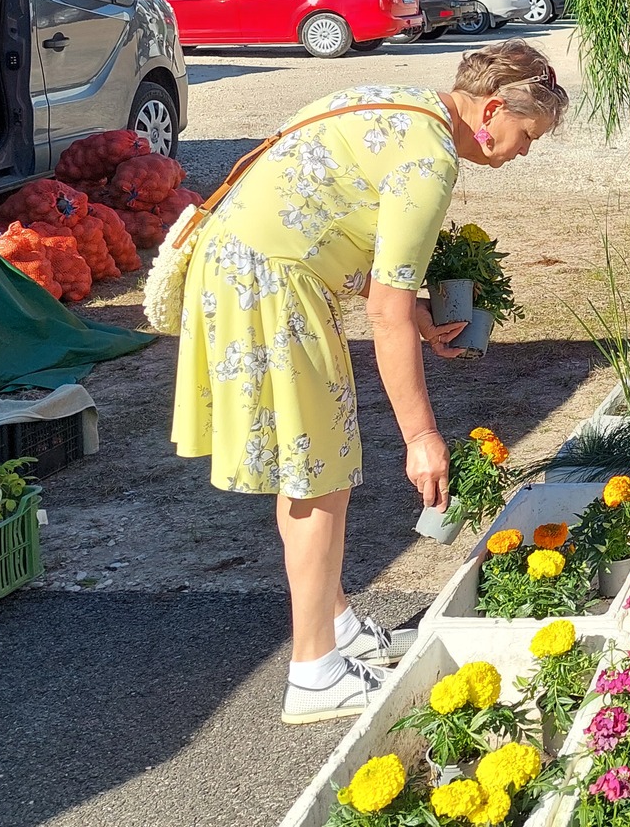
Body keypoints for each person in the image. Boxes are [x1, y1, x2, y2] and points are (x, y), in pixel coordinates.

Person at [170, 40, 566, 724]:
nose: (522, 153)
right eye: (525, 135)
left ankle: (338, 627)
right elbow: (383, 315)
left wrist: (408, 307)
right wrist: (421, 435)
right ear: (493, 107)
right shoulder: (431, 159)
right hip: (271, 281)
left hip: (245, 265)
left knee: (312, 465)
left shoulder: (404, 105)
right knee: (320, 472)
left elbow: (332, 218)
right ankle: (315, 672)